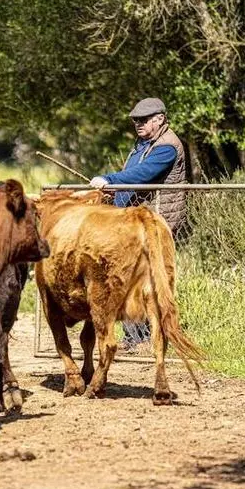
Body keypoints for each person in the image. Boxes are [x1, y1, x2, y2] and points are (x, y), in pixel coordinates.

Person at [89, 97, 188, 348]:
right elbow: (133, 178)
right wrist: (115, 192)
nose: (138, 124)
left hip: (156, 221)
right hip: (135, 219)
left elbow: (142, 175)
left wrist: (109, 179)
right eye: (135, 121)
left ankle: (147, 337)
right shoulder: (144, 143)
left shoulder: (167, 146)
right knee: (129, 274)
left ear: (160, 119)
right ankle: (135, 336)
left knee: (146, 276)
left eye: (143, 120)